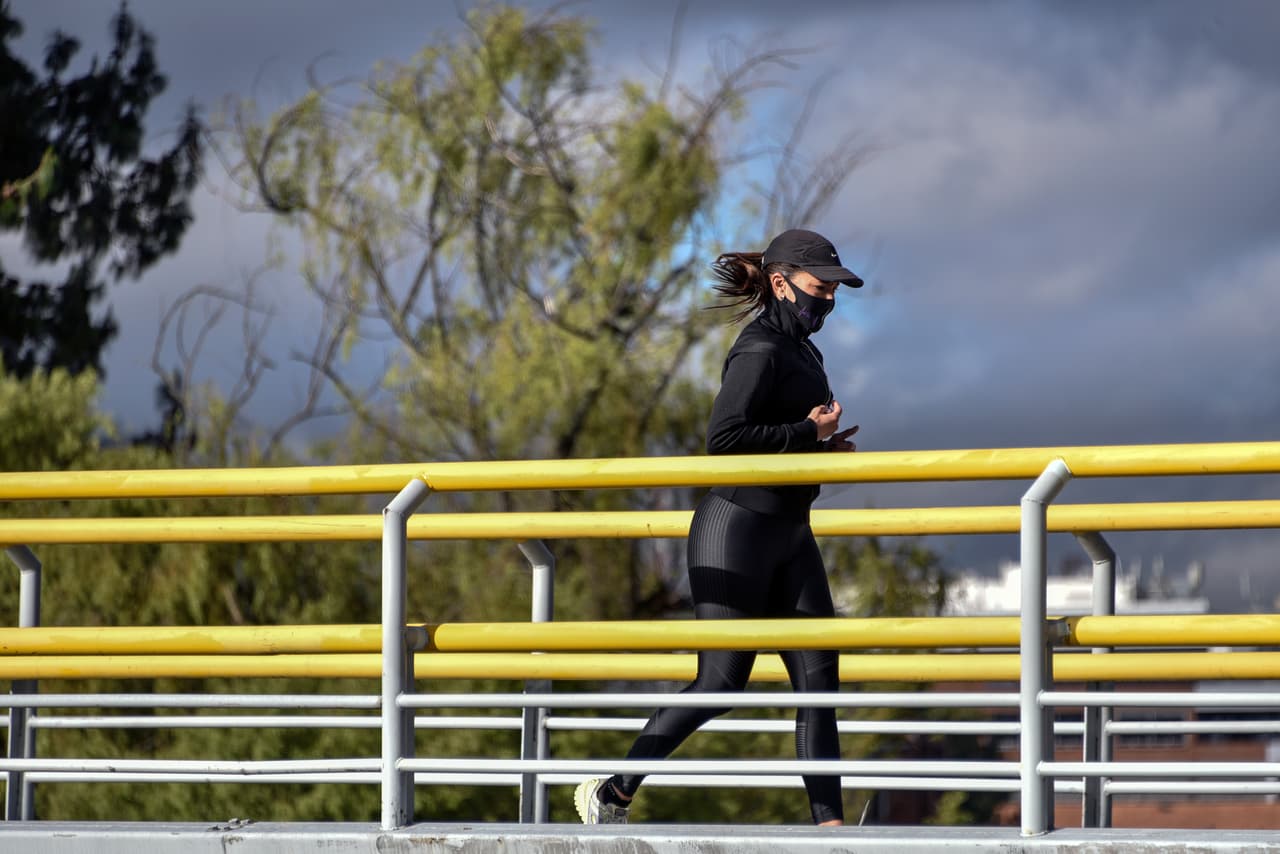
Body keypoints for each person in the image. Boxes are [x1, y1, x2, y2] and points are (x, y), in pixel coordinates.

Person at [574, 228, 862, 826]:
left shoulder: (806, 352)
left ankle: (831, 832)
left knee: (819, 682)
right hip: (736, 527)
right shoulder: (758, 348)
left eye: (836, 289)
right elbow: (724, 441)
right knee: (723, 683)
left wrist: (823, 448)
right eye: (821, 287)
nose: (830, 299)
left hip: (791, 529)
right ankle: (612, 792)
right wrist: (808, 434)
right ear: (781, 284)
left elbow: (780, 437)